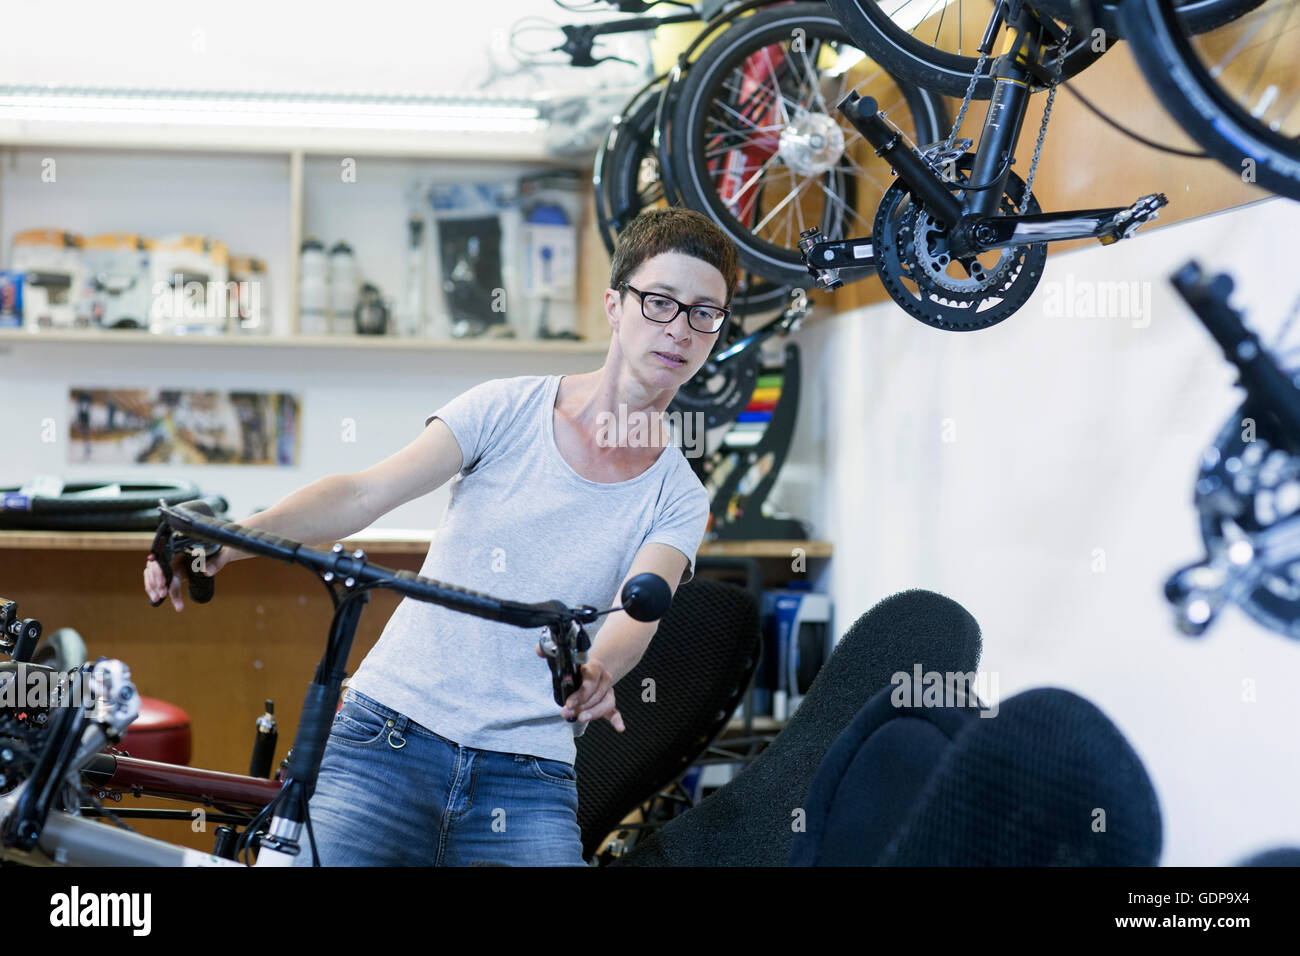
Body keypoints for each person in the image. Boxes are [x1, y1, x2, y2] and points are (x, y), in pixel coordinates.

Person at [142, 206, 736, 866]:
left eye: (704, 312)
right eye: (661, 302)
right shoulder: (506, 408)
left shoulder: (677, 495)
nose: (680, 328)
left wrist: (599, 670)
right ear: (615, 305)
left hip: (528, 774)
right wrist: (228, 540)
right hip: (388, 737)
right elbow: (365, 492)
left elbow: (639, 604)